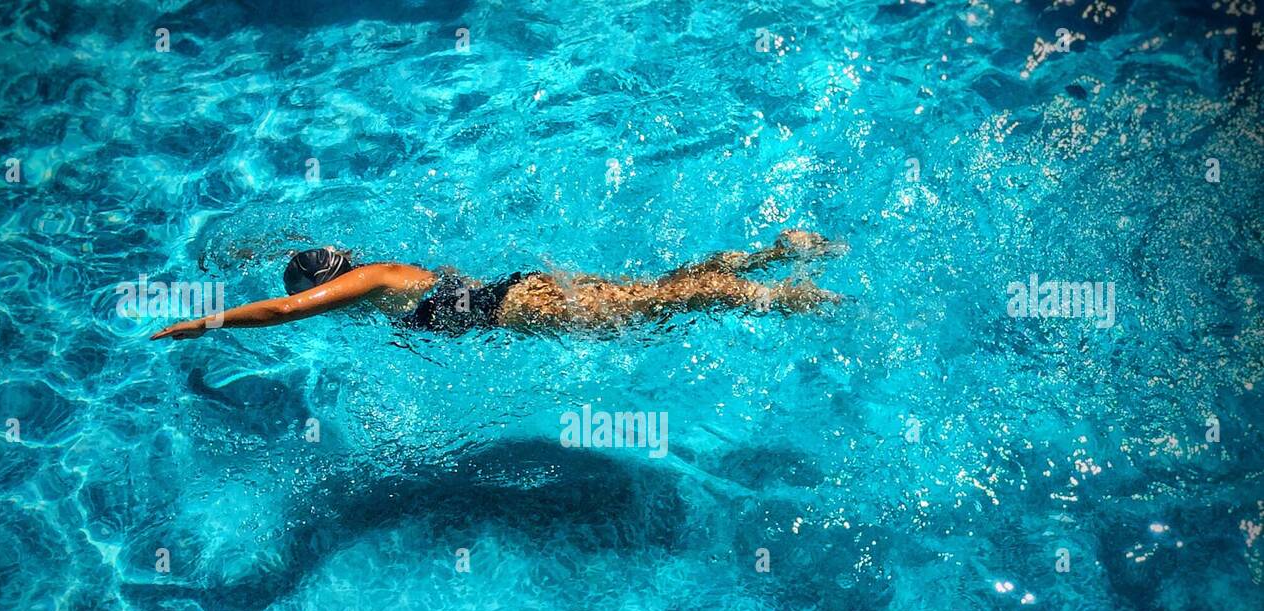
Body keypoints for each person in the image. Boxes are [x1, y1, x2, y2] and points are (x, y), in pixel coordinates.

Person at [149, 229, 843, 341]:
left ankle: (780, 295)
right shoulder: (381, 275)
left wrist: (202, 323)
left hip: (519, 305)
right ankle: (771, 254)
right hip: (522, 294)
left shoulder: (364, 283)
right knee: (651, 296)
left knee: (656, 307)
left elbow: (282, 310)